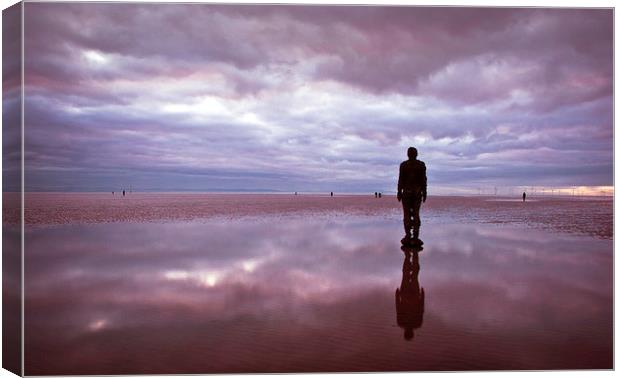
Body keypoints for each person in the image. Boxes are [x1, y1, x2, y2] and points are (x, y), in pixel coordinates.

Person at [397, 147, 427, 246]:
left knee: (407, 214)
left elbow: (400, 180)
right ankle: (415, 237)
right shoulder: (421, 165)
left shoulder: (404, 165)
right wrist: (424, 192)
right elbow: (424, 180)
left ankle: (408, 236)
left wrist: (399, 192)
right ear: (416, 154)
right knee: (416, 214)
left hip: (407, 192)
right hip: (417, 192)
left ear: (408, 154)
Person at [396, 245, 425, 341]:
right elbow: (421, 309)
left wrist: (397, 295)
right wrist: (422, 296)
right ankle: (411, 255)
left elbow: (398, 308)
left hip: (408, 294)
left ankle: (410, 255)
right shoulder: (414, 323)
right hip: (411, 294)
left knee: (408, 273)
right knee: (411, 273)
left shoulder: (413, 323)